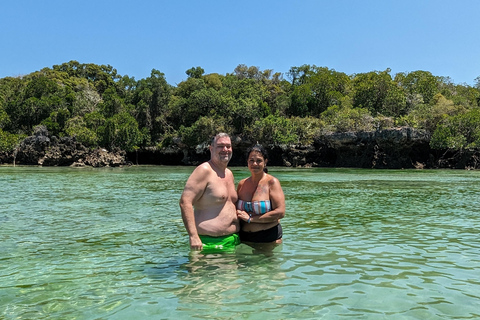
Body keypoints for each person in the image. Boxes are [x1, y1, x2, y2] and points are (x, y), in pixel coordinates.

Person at [179, 133, 240, 253]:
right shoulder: (204, 170)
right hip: (208, 243)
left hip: (233, 241)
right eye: (220, 146)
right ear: (211, 149)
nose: (225, 150)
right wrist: (193, 236)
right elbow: (185, 202)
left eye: (228, 146)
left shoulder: (229, 173)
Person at [236, 144, 285, 245]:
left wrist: (251, 219)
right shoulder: (242, 184)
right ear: (247, 162)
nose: (255, 164)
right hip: (244, 238)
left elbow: (280, 212)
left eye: (259, 160)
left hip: (268, 238)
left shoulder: (272, 182)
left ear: (265, 162)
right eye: (251, 160)